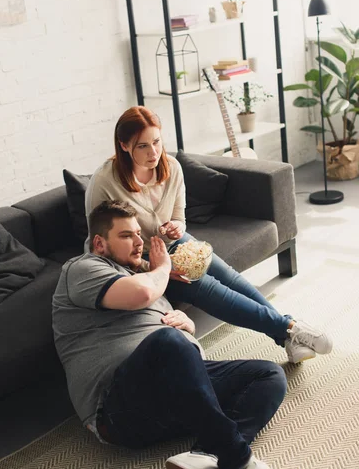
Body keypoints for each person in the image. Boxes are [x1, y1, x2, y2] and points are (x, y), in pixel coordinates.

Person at [53, 200, 304, 469]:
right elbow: (143, 297)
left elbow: (169, 336)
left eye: (138, 234)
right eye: (127, 235)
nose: (139, 242)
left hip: (170, 399)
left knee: (268, 375)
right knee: (168, 341)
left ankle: (203, 455)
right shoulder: (81, 269)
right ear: (100, 242)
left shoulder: (142, 274)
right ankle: (239, 462)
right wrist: (163, 269)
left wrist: (189, 329)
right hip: (117, 412)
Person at [84, 105, 333, 364]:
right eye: (142, 146)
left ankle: (285, 334)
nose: (154, 152)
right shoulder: (105, 182)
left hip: (174, 243)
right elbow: (101, 245)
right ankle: (291, 329)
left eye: (156, 142)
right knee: (207, 288)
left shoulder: (171, 168)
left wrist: (177, 227)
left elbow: (180, 217)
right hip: (136, 260)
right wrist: (156, 268)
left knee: (228, 276)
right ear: (124, 146)